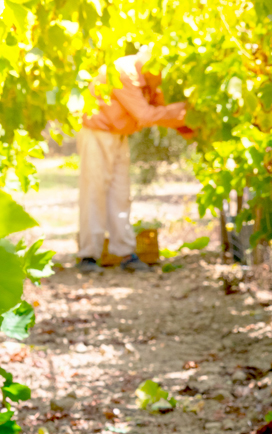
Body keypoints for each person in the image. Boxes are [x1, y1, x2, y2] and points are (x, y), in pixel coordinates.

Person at [77, 51, 191, 274]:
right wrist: (185, 112)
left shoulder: (147, 79)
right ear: (152, 67)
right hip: (96, 132)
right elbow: (146, 115)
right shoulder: (124, 72)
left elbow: (159, 110)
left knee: (121, 193)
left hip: (118, 134)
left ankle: (125, 253)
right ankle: (88, 256)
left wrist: (187, 125)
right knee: (94, 192)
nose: (163, 80)